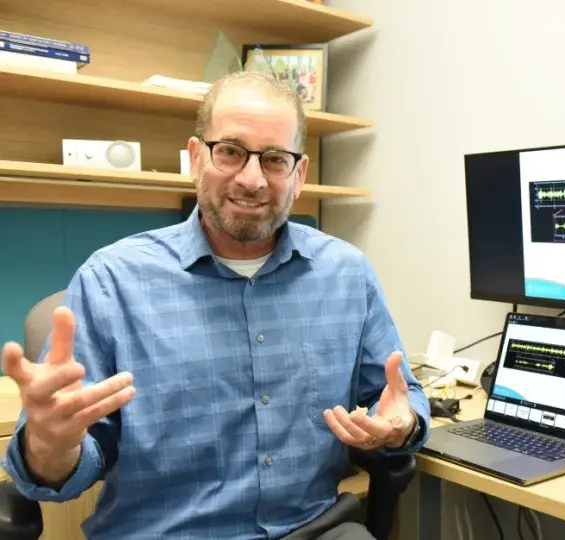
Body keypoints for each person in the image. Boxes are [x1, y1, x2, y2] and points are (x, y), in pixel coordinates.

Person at [0, 70, 430, 540]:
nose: (251, 179)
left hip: (312, 529)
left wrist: (402, 423)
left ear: (299, 174)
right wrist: (50, 444)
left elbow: (398, 397)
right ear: (194, 157)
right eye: (230, 151)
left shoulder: (346, 273)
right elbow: (59, 470)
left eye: (274, 159)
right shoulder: (112, 280)